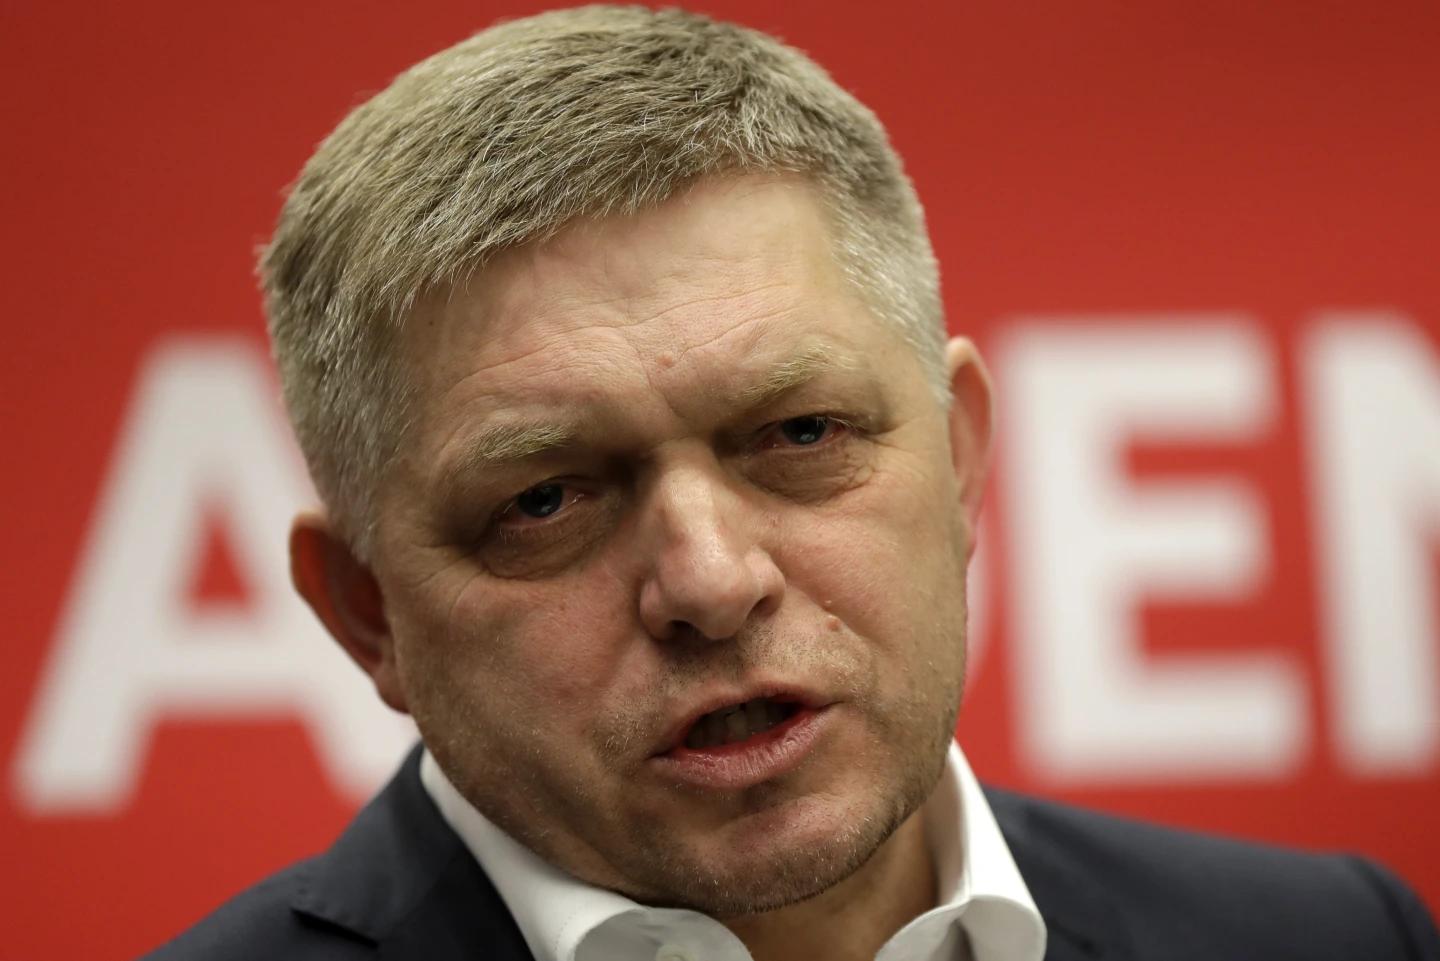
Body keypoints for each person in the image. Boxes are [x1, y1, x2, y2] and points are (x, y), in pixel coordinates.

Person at [145, 6, 1439, 960]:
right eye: (545, 500)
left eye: (801, 431)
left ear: (958, 454)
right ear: (368, 612)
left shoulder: (1334, 937)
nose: (709, 580)